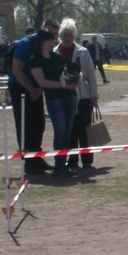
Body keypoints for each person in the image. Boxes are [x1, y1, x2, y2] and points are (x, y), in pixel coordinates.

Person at [28, 28, 79, 178]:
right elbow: (42, 82)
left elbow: (68, 72)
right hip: (54, 98)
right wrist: (63, 85)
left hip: (70, 96)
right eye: (49, 40)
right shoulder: (35, 60)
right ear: (42, 42)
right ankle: (59, 166)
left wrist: (75, 76)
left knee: (68, 131)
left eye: (53, 39)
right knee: (60, 130)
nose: (53, 42)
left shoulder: (58, 57)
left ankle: (63, 165)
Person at [56, 19, 100, 171]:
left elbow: (91, 75)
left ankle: (87, 160)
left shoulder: (83, 52)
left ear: (74, 36)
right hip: (64, 95)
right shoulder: (55, 52)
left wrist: (94, 95)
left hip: (83, 96)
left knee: (84, 129)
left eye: (70, 35)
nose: (67, 37)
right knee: (70, 131)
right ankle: (72, 160)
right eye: (65, 34)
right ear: (60, 35)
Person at [9, 25, 49, 174]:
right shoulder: (25, 43)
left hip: (36, 87)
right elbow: (17, 70)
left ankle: (37, 157)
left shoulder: (46, 45)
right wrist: (31, 89)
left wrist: (39, 89)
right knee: (24, 125)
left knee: (38, 123)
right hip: (19, 86)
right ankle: (28, 162)